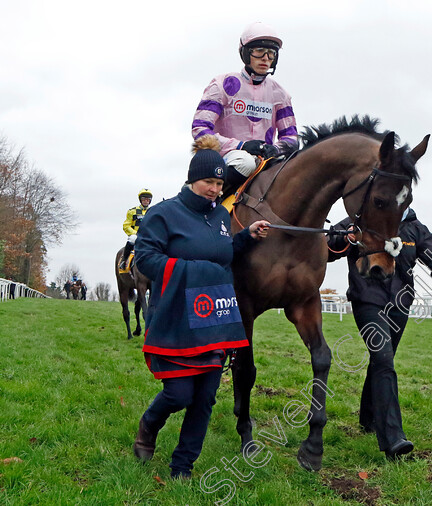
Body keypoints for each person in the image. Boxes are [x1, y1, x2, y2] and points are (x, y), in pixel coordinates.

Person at [132, 146, 270, 480]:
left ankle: (183, 465)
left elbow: (223, 254)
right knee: (180, 394)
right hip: (175, 315)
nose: (215, 189)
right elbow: (145, 259)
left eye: (219, 185)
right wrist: (192, 271)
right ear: (193, 179)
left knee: (206, 396)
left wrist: (247, 238)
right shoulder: (163, 214)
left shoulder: (221, 217)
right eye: (208, 182)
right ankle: (149, 423)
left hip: (213, 318)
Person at [327, 207, 432, 460]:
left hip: (399, 305)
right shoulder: (359, 220)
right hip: (367, 301)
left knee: (382, 360)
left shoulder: (414, 229)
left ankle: (369, 418)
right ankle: (393, 438)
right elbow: (327, 248)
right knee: (384, 360)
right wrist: (344, 238)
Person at [191, 21, 298, 197]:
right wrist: (241, 145)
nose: (265, 58)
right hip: (227, 158)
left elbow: (291, 138)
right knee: (246, 162)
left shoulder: (280, 94)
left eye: (271, 53)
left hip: (266, 159)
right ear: (246, 53)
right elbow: (200, 130)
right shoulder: (222, 84)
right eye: (259, 51)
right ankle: (208, 205)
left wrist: (276, 149)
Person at [119, 189, 153, 271]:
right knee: (132, 239)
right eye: (144, 199)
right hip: (136, 235)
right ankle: (124, 261)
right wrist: (136, 233)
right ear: (140, 200)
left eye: (148, 199)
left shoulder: (153, 211)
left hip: (149, 236)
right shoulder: (132, 211)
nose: (146, 201)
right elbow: (126, 225)